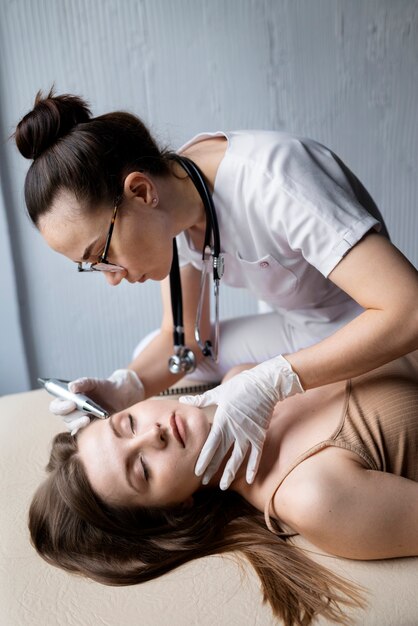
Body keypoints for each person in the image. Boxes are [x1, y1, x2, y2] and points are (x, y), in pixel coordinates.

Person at [15, 90, 418, 490]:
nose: (112, 277)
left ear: (140, 192)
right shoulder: (176, 196)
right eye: (93, 267)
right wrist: (126, 388)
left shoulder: (272, 181)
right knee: (147, 355)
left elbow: (410, 309)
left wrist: (273, 381)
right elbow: (185, 339)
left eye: (101, 253)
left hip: (372, 324)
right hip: (303, 323)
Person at [29, 352, 418, 626]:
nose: (154, 434)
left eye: (128, 423)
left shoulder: (241, 379)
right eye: (143, 469)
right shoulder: (311, 496)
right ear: (176, 507)